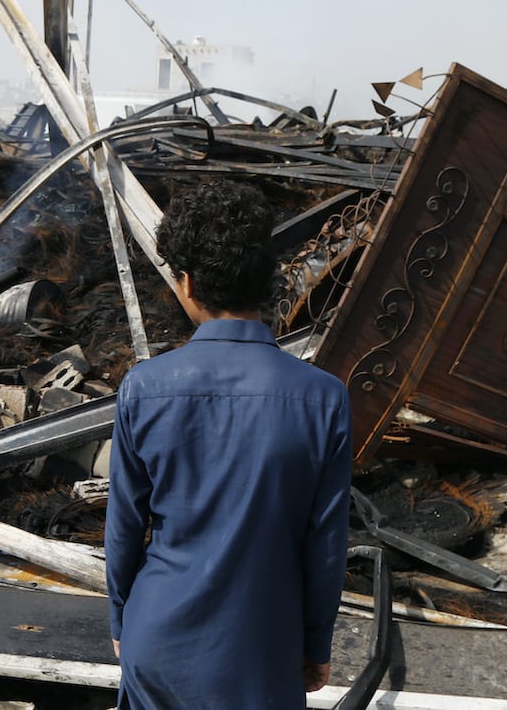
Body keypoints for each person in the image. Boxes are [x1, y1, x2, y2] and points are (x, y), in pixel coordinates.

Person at [105, 180, 353, 709]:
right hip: (262, 649)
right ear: (266, 281)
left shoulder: (145, 387)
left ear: (188, 283)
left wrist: (122, 622)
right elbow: (325, 545)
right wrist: (315, 643)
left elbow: (125, 528)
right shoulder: (324, 398)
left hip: (158, 641)